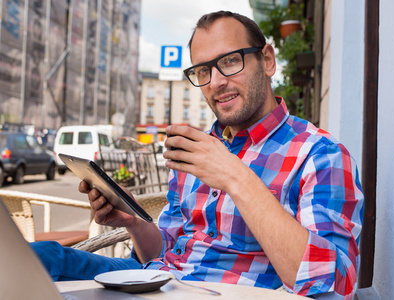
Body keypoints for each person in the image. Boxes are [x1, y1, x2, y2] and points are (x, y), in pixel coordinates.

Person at [31, 11, 364, 299]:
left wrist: (235, 177)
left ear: (267, 60)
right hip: (161, 282)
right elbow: (163, 253)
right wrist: (131, 221)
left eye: (230, 61)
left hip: (223, 292)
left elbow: (333, 287)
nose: (216, 81)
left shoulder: (320, 155)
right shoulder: (196, 150)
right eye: (203, 70)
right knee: (40, 258)